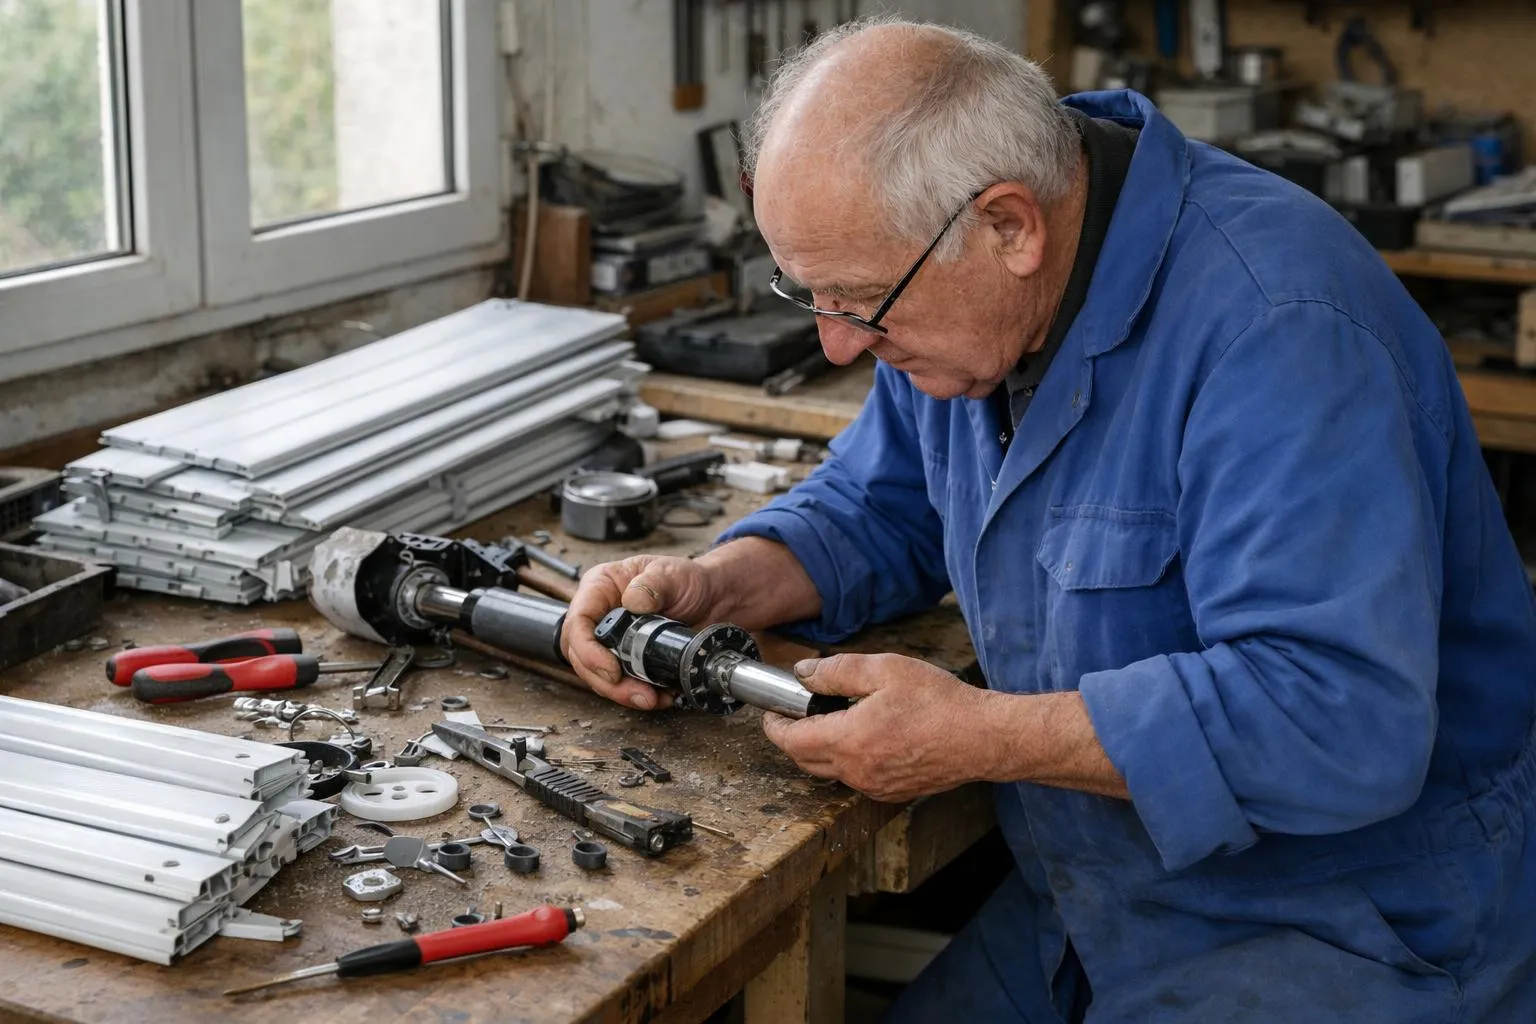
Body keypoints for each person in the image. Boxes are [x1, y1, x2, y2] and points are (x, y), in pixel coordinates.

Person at [560, 17, 1536, 1022]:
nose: (837, 346)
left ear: (1011, 227)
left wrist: (982, 736)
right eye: (812, 295)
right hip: (1095, 899)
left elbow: (1337, 719)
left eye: (856, 302)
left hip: (1344, 927)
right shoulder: (950, 292)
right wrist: (717, 584)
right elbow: (881, 503)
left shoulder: (1279, 329)